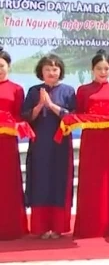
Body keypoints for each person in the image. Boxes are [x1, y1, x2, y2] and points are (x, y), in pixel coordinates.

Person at [73, 49, 109, 238]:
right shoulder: (83, 90)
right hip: (90, 141)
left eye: (106, 68)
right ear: (92, 69)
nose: (103, 72)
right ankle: (89, 225)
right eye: (99, 68)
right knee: (91, 181)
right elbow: (78, 114)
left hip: (108, 141)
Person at [22, 55, 76, 239]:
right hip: (40, 146)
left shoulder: (68, 91)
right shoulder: (33, 91)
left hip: (61, 145)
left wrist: (51, 105)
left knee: (59, 182)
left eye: (55, 69)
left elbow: (72, 117)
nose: (51, 73)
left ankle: (58, 227)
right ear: (41, 72)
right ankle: (40, 227)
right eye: (47, 69)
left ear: (60, 71)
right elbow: (26, 117)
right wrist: (39, 106)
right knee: (40, 182)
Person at [0, 46, 27, 240]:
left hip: (7, 143)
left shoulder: (16, 89)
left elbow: (20, 117)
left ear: (8, 66)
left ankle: (11, 227)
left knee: (8, 184)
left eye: (2, 66)